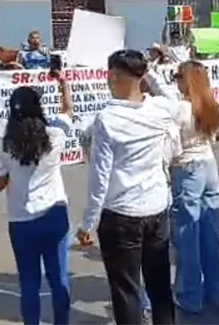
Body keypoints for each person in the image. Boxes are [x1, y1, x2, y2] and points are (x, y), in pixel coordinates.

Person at [77, 49, 178, 325]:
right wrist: (152, 73)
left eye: (111, 75)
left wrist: (89, 222)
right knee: (159, 286)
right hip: (156, 208)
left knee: (126, 292)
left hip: (121, 213)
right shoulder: (159, 109)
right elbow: (173, 96)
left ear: (116, 76)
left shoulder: (107, 119)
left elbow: (100, 177)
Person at [0, 74, 73, 325]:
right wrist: (63, 85)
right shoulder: (55, 135)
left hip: (22, 220)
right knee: (59, 278)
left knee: (29, 282)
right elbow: (68, 110)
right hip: (54, 214)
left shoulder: (5, 145)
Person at [170, 60, 219, 314]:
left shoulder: (181, 109)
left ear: (186, 80)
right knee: (210, 231)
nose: (175, 81)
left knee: (187, 235)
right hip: (208, 163)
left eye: (177, 76)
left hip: (187, 166)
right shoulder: (210, 105)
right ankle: (217, 289)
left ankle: (189, 293)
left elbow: (173, 145)